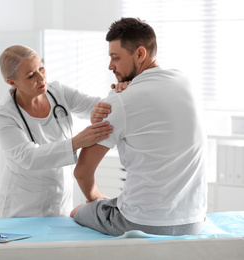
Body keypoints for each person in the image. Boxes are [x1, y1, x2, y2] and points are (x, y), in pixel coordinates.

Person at [71, 17, 207, 237]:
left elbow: (82, 171)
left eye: (115, 57)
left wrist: (94, 198)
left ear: (140, 54)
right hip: (194, 220)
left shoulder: (121, 100)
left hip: (141, 222)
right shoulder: (186, 82)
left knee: (78, 211)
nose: (110, 66)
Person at [0, 45, 117, 218]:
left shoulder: (57, 92)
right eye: (31, 75)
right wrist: (76, 142)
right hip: (22, 207)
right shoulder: (3, 115)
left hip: (60, 199)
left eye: (41, 68)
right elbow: (28, 157)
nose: (41, 77)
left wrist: (121, 93)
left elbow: (97, 107)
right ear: (12, 82)